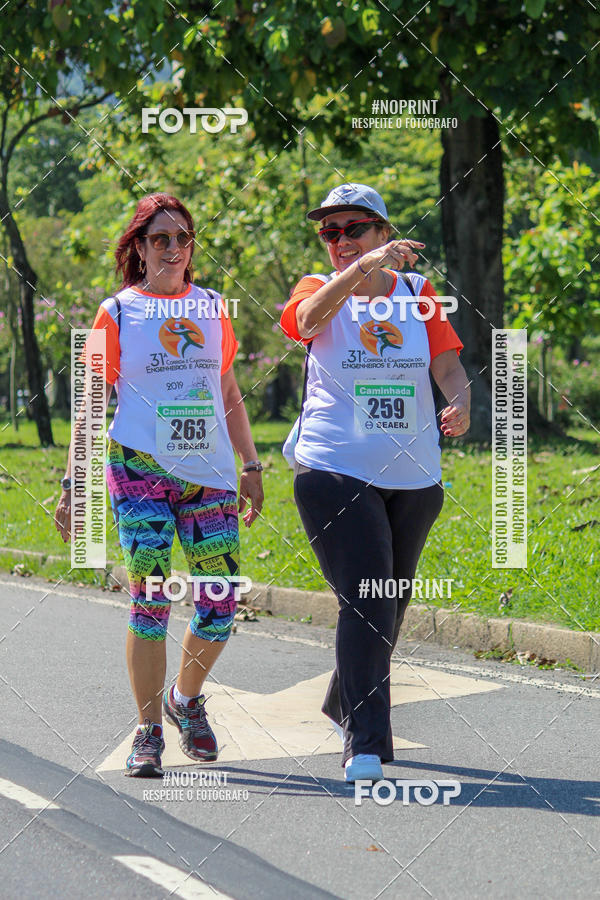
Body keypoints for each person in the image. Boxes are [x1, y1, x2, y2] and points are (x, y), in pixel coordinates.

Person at [55, 193, 263, 777]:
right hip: (140, 471)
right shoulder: (116, 313)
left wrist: (250, 466)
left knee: (220, 602)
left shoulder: (213, 307)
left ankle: (184, 698)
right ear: (139, 250)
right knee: (151, 600)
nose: (173, 249)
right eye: (160, 239)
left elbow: (227, 393)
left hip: (212, 475)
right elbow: (92, 403)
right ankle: (147, 731)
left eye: (182, 238)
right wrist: (74, 483)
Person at [280, 183, 470, 783]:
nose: (339, 241)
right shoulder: (317, 289)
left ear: (385, 232)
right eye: (329, 232)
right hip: (333, 468)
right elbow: (305, 324)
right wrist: (359, 268)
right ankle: (365, 744)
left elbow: (445, 362)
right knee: (367, 599)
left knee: (390, 605)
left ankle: (343, 701)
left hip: (413, 475)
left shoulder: (417, 293)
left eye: (353, 229)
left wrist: (461, 402)